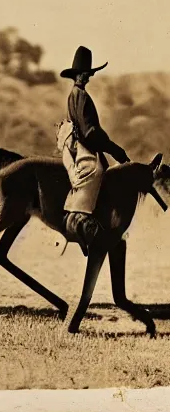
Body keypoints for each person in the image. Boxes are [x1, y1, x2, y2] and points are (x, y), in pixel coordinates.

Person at [58, 46, 130, 255]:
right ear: (76, 75)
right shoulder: (80, 95)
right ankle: (83, 222)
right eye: (83, 74)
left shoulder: (77, 94)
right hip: (85, 145)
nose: (86, 78)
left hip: (84, 144)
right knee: (98, 172)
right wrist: (114, 149)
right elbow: (90, 131)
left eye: (88, 74)